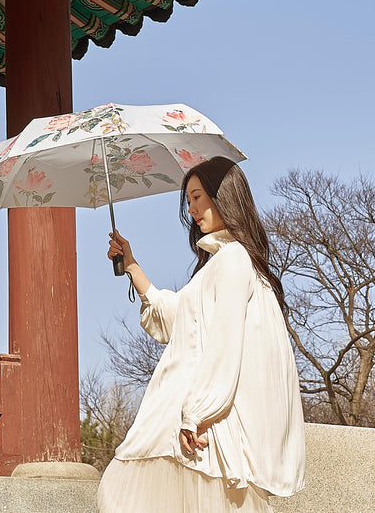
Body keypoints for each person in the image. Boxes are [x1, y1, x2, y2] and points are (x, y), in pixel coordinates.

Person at [98, 157, 305, 513]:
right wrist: (131, 265)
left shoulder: (233, 260)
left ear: (224, 195)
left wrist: (199, 411)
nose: (192, 208)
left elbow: (226, 344)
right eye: (188, 201)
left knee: (126, 493)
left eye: (198, 196)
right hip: (199, 413)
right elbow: (181, 321)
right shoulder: (222, 262)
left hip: (209, 421)